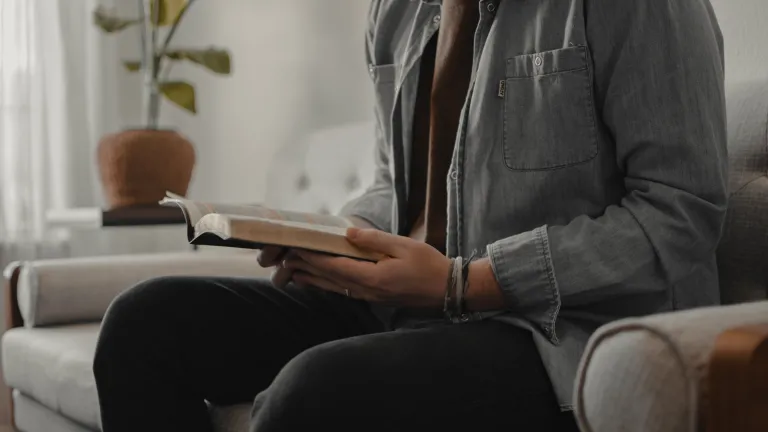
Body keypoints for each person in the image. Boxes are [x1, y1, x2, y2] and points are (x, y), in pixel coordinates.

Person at [93, 0, 728, 431]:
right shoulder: (397, 10)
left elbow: (680, 213)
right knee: (143, 325)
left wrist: (463, 282)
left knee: (313, 394)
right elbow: (394, 186)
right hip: (405, 305)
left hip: (561, 333)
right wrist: (336, 239)